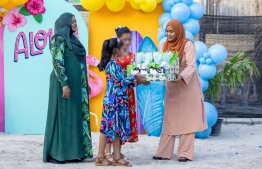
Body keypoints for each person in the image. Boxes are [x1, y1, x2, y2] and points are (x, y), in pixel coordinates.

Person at [153, 19, 208, 162]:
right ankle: (163, 152)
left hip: (188, 85)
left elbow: (191, 66)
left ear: (178, 31)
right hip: (172, 85)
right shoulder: (165, 45)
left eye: (171, 31)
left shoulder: (188, 44)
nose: (168, 34)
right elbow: (163, 64)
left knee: (188, 119)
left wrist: (181, 76)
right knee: (170, 117)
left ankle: (184, 153)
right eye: (167, 31)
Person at [43, 13, 92, 164]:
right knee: (62, 118)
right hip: (63, 85)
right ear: (65, 23)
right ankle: (56, 154)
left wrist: (86, 83)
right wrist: (65, 84)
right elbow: (58, 63)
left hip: (78, 86)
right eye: (73, 22)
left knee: (76, 118)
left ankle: (74, 153)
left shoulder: (73, 39)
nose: (75, 24)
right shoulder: (58, 39)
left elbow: (81, 64)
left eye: (76, 22)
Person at [95, 38, 145, 167]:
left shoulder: (115, 65)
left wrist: (138, 80)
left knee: (117, 129)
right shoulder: (112, 64)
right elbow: (121, 82)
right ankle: (100, 157)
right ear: (116, 50)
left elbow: (123, 80)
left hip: (118, 102)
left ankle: (117, 156)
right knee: (106, 129)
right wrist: (137, 77)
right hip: (112, 102)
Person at [105, 26, 148, 162]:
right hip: (116, 94)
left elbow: (136, 73)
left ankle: (118, 152)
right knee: (112, 122)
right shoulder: (113, 56)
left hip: (128, 93)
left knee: (122, 123)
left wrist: (143, 79)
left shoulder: (131, 56)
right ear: (118, 39)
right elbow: (116, 78)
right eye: (124, 39)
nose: (128, 42)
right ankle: (107, 153)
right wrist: (135, 78)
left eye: (129, 39)